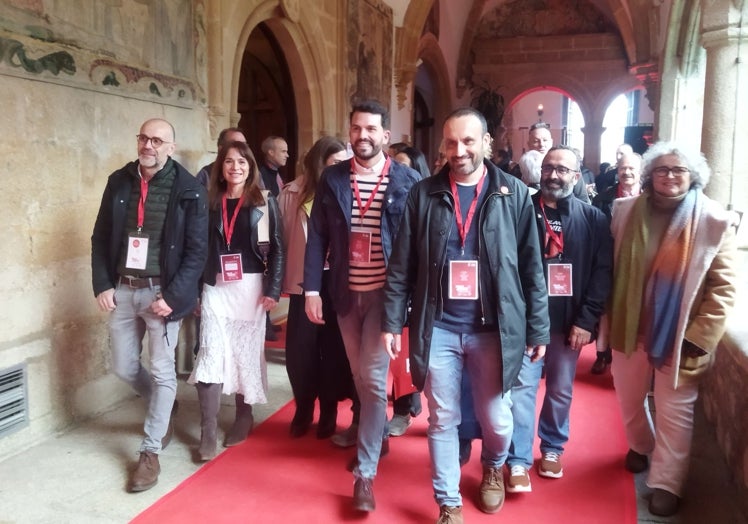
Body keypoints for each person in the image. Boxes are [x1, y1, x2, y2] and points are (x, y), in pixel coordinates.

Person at [381, 108, 550, 523]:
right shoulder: (424, 194)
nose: (459, 151)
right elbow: (402, 265)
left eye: (468, 141)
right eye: (452, 142)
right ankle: (448, 501)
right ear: (443, 145)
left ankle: (493, 464)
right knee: (443, 418)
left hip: (493, 329)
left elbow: (532, 267)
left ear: (486, 142)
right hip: (437, 326)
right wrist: (390, 321)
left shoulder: (513, 193)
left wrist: (538, 326)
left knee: (497, 418)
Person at [605, 141, 737, 517]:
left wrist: (701, 336)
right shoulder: (624, 211)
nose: (669, 176)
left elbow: (724, 288)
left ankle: (666, 482)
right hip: (629, 327)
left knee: (674, 411)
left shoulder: (714, 220)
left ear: (693, 176)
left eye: (678, 170)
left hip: (680, 336)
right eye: (661, 169)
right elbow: (610, 266)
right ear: (649, 175)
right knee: (629, 398)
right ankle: (640, 444)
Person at [303, 100, 420, 513]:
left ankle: (365, 475)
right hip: (345, 295)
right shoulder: (334, 178)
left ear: (385, 135)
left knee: (370, 382)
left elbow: (416, 244)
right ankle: (379, 435)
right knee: (360, 376)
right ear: (349, 132)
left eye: (371, 129)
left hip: (386, 299)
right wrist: (312, 290)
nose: (363, 136)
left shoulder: (407, 180)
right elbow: (317, 236)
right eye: (356, 128)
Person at [91, 118, 208, 492]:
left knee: (161, 372)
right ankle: (164, 403)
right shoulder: (119, 181)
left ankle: (150, 451)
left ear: (171, 148)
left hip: (162, 294)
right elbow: (100, 236)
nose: (148, 145)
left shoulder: (189, 189)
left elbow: (196, 251)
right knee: (124, 367)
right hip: (123, 290)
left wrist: (172, 297)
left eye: (158, 140)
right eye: (144, 137)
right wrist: (102, 284)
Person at [505, 145, 612, 493]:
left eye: (562, 169)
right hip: (525, 322)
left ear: (576, 176)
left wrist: (587, 320)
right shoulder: (520, 210)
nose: (553, 174)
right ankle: (518, 459)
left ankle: (552, 448)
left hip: (569, 324)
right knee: (520, 391)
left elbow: (601, 272)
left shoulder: (593, 218)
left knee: (561, 390)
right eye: (549, 167)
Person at [188, 141, 284, 461]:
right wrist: (195, 290)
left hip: (251, 287)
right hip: (216, 285)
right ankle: (208, 428)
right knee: (211, 353)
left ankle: (244, 416)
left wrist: (273, 290)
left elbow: (279, 248)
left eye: (242, 162)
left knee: (244, 354)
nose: (235, 167)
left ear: (251, 167)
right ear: (221, 167)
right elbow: (198, 248)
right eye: (229, 162)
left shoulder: (263, 202)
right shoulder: (209, 202)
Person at [278, 136, 355, 439]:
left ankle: (329, 411)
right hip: (303, 282)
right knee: (301, 352)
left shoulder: (347, 191)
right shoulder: (293, 193)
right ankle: (304, 407)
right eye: (334, 163)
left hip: (336, 282)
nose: (339, 168)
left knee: (334, 351)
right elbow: (282, 240)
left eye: (342, 163)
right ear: (319, 162)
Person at [590, 151, 643, 374]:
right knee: (605, 309)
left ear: (641, 171)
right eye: (623, 168)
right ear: (617, 171)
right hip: (609, 260)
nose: (627, 172)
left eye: (631, 168)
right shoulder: (603, 199)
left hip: (640, 265)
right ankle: (603, 354)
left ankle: (632, 355)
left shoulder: (650, 199)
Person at [258, 135, 289, 341]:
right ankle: (264, 321)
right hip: (263, 232)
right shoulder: (259, 175)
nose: (287, 154)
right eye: (283, 151)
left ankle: (267, 320)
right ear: (270, 152)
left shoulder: (277, 175)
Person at [515, 123, 590, 203]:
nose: (541, 145)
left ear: (551, 142)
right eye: (536, 141)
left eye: (545, 140)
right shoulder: (518, 169)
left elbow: (583, 201)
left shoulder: (570, 168)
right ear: (529, 144)